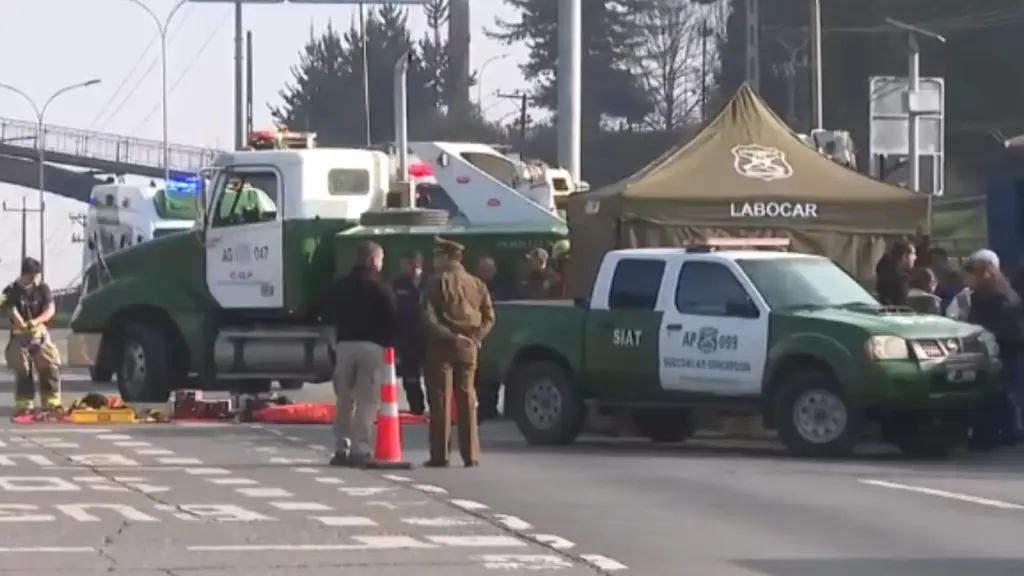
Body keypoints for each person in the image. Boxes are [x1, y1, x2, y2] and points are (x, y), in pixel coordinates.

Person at [323, 241, 398, 467]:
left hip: (344, 346)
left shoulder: (340, 286)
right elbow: (393, 317)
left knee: (344, 398)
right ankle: (360, 448)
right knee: (367, 399)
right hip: (371, 348)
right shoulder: (380, 287)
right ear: (374, 260)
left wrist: (334, 345)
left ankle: (340, 447)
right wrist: (389, 344)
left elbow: (327, 315)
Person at [422, 237, 495, 467]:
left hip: (442, 347)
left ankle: (440, 454)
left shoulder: (435, 282)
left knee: (441, 399)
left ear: (445, 257)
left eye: (437, 256)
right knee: (467, 398)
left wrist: (452, 337)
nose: (434, 261)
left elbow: (427, 316)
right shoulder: (476, 283)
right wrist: (474, 338)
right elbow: (489, 316)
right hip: (469, 347)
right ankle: (471, 454)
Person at [964, 249, 1024, 450]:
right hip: (1005, 344)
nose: (974, 275)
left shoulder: (992, 293)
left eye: (977, 271)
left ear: (989, 269)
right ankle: (1005, 431)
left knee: (998, 389)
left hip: (1000, 345)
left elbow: (983, 322)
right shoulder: (1001, 289)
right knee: (1003, 389)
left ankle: (995, 432)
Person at [1, 258, 62, 413]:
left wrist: (35, 322)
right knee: (23, 368)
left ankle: (51, 402)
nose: (36, 279)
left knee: (49, 363)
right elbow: (11, 310)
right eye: (33, 275)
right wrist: (22, 324)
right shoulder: (10, 290)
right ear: (26, 274)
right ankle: (24, 404)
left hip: (39, 333)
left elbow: (50, 309)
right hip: (19, 335)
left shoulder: (43, 288)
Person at [392, 252, 426, 416]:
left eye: (411, 264)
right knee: (410, 376)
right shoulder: (398, 284)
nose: (408, 268)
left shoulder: (430, 283)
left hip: (428, 336)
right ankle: (416, 408)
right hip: (407, 337)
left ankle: (437, 409)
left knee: (433, 376)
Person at [875, 239, 915, 306]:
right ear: (904, 255)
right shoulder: (902, 280)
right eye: (913, 254)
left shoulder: (883, 272)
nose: (915, 257)